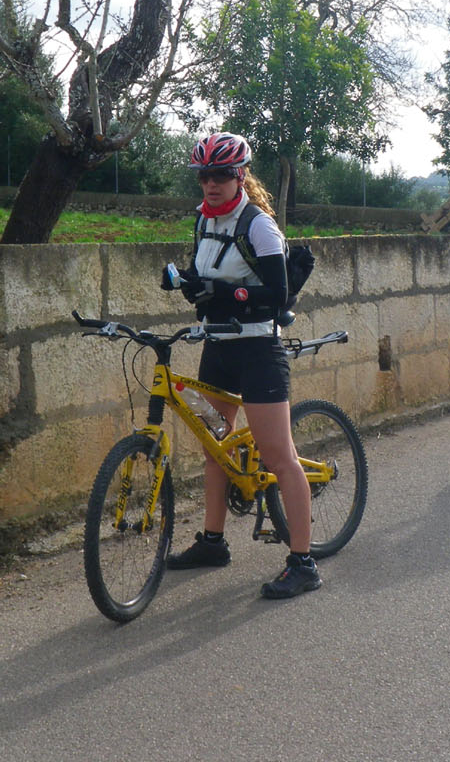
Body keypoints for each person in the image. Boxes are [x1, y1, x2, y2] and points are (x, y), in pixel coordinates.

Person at [159, 132, 319, 599]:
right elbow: (205, 275)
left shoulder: (259, 226)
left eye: (222, 174)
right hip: (218, 346)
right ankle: (213, 542)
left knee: (280, 457)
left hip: (258, 351)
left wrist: (227, 293)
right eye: (204, 175)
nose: (211, 183)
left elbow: (276, 294)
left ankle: (303, 563)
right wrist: (185, 282)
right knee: (215, 449)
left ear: (240, 175)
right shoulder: (204, 221)